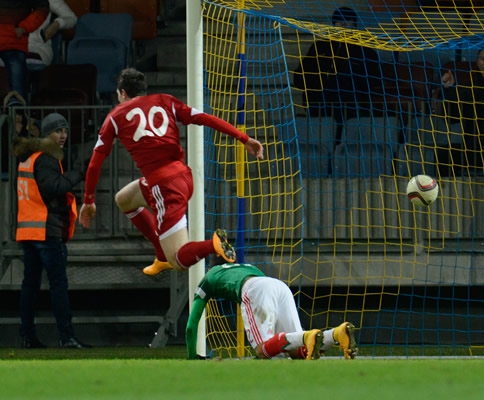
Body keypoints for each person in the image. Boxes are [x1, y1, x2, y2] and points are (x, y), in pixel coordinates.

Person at [78, 68, 264, 276]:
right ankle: (161, 256)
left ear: (122, 93)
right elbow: (204, 118)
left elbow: (95, 162)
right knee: (124, 199)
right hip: (183, 176)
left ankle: (213, 245)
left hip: (164, 187)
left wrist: (88, 199)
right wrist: (244, 138)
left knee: (178, 260)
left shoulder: (115, 116)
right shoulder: (165, 101)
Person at [13, 112, 91, 349]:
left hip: (29, 232)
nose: (63, 135)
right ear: (47, 133)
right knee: (58, 286)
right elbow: (53, 187)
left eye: (65, 131)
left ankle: (28, 336)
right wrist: (78, 174)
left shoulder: (28, 158)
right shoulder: (46, 158)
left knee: (30, 286)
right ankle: (66, 337)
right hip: (47, 232)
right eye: (58, 131)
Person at [186, 256, 358, 360]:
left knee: (262, 349)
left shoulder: (209, 276)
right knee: (298, 352)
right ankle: (338, 333)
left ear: (212, 265)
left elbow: (191, 324)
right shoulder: (248, 267)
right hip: (278, 285)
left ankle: (307, 335)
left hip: (252, 289)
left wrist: (192, 356)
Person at [292, 7, 382, 144]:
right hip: (320, 105)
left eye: (347, 20)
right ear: (333, 23)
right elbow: (299, 77)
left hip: (352, 107)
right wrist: (319, 82)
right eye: (339, 21)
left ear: (354, 23)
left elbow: (374, 79)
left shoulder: (364, 50)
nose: (343, 24)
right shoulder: (320, 47)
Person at [0, 0, 49, 105]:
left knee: (17, 92)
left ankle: (20, 118)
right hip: (14, 40)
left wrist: (24, 28)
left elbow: (42, 8)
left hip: (13, 42)